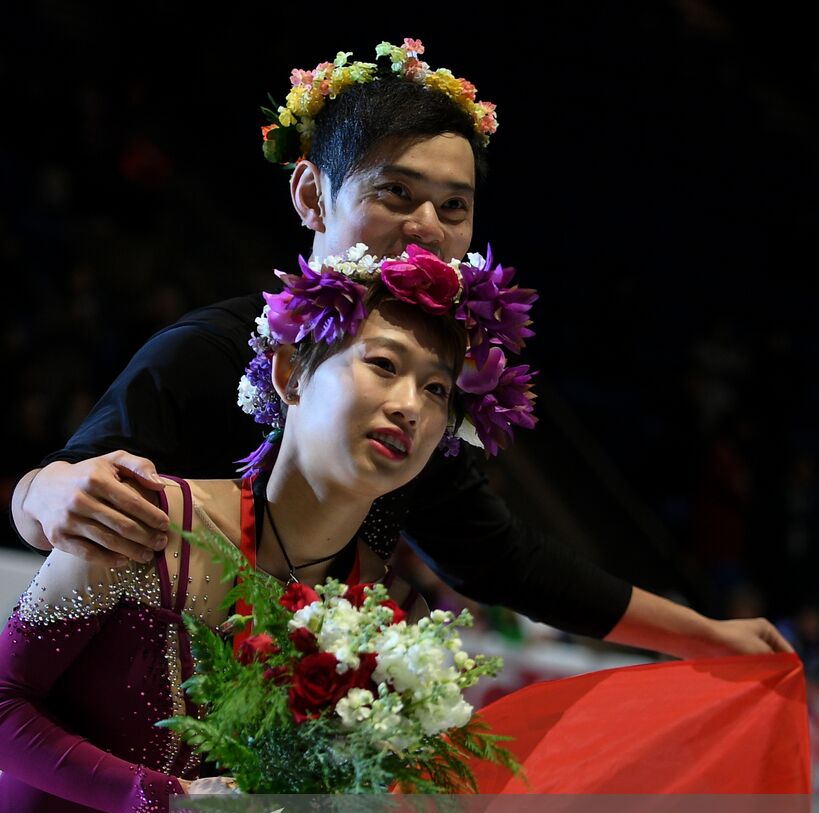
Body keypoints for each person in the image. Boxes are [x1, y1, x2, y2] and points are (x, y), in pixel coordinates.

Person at [9, 40, 791, 667]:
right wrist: (45, 491)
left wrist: (708, 635)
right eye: (395, 193)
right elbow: (66, 481)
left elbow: (503, 560)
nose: (427, 226)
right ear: (312, 195)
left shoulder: (419, 403)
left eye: (453, 207)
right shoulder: (209, 349)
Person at [0, 241, 505, 813]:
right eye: (383, 365)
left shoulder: (388, 623)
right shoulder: (147, 522)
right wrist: (164, 803)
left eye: (438, 390)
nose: (412, 404)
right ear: (289, 372)